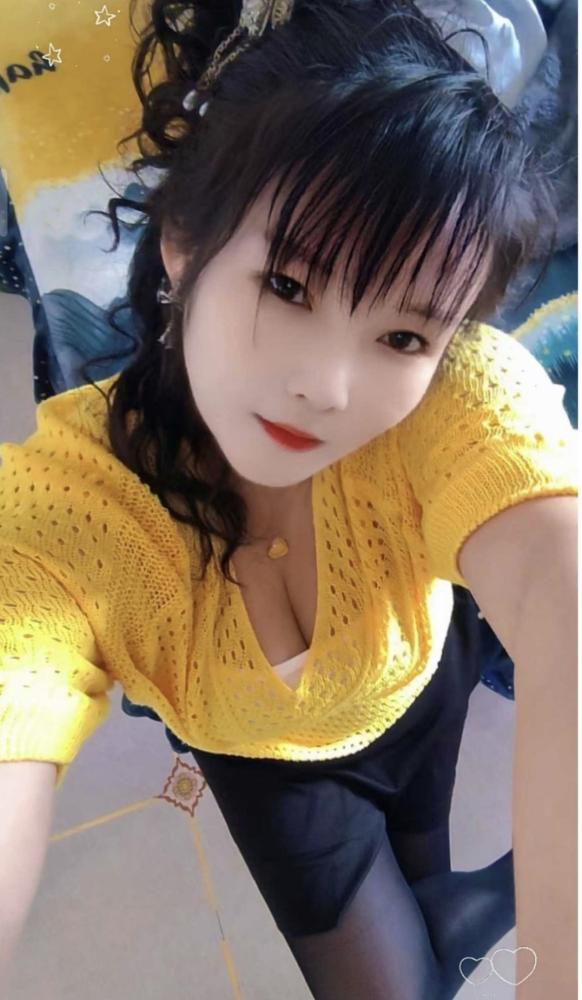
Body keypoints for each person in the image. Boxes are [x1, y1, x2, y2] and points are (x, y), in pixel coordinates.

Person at [0, 1, 577, 998]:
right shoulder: (73, 498)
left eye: (403, 336)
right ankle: (478, 906)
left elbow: (563, 591)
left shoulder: (456, 397)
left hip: (418, 689)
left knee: (420, 865)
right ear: (185, 244)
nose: (329, 388)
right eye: (290, 285)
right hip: (276, 777)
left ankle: (454, 905)